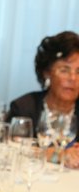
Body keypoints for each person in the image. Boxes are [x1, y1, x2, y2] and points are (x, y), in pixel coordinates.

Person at [9, 31, 79, 160]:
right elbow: (12, 151)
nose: (73, 78)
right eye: (64, 70)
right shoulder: (24, 108)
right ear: (47, 73)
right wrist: (56, 155)